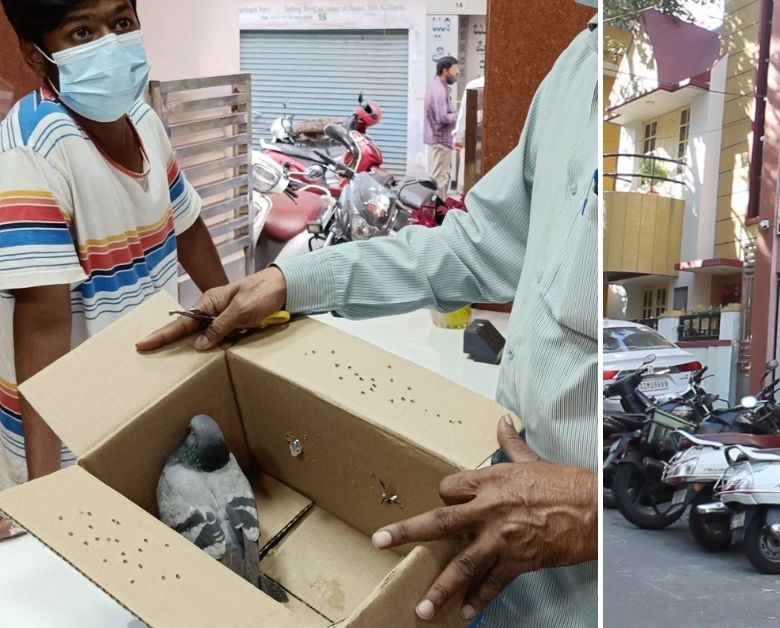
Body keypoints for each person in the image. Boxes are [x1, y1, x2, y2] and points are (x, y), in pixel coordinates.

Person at [137, 12, 599, 628]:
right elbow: (477, 243)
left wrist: (593, 508)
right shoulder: (581, 61)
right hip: (483, 548)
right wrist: (286, 282)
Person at [0, 0, 226, 527]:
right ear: (37, 58)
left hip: (139, 399)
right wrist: (46, 494)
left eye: (121, 23)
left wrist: (238, 317)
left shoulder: (143, 120)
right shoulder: (32, 152)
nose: (109, 43)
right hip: (63, 429)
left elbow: (188, 229)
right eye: (82, 32)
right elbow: (42, 321)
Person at [426, 55, 460, 200]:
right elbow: (441, 117)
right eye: (455, 69)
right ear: (445, 70)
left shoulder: (439, 87)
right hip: (440, 142)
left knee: (441, 177)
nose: (458, 72)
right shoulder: (439, 90)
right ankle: (436, 216)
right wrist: (460, 116)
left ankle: (435, 213)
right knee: (439, 180)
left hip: (442, 141)